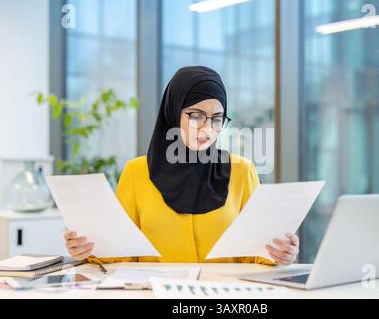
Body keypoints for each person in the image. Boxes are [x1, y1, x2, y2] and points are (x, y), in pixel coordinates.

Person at [63, 66, 299, 266]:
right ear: (173, 113)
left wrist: (280, 254)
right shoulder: (137, 173)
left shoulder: (241, 171)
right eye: (196, 116)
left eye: (217, 119)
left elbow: (257, 256)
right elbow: (117, 255)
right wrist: (89, 249)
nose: (208, 128)